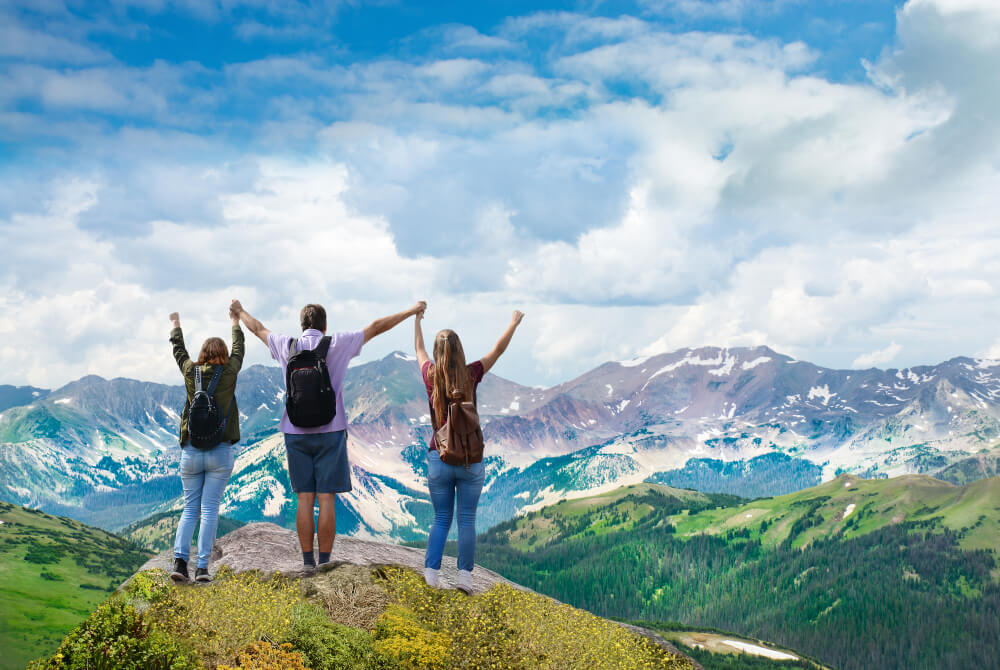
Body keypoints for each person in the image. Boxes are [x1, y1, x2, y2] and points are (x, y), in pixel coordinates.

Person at [231, 299, 426, 570]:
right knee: (326, 499)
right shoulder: (338, 344)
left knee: (304, 498)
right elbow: (376, 327)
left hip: (294, 431)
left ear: (302, 326)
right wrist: (410, 311)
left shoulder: (286, 345)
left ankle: (307, 561)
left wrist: (239, 312)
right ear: (325, 326)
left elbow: (258, 329)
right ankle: (325, 561)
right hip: (331, 431)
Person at [415, 309, 524, 593]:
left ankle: (431, 576)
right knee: (466, 520)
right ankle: (464, 579)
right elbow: (497, 351)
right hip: (470, 459)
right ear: (460, 350)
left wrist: (417, 320)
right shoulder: (471, 373)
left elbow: (419, 349)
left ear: (439, 353)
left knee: (441, 519)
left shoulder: (430, 375)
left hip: (439, 457)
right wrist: (513, 323)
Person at [168, 308, 244, 583]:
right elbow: (239, 348)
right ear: (223, 355)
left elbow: (179, 351)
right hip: (220, 451)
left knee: (190, 508)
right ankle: (202, 568)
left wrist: (176, 324)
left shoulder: (191, 372)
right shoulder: (230, 372)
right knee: (210, 509)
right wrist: (235, 322)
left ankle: (179, 562)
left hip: (191, 450)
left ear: (202, 354)